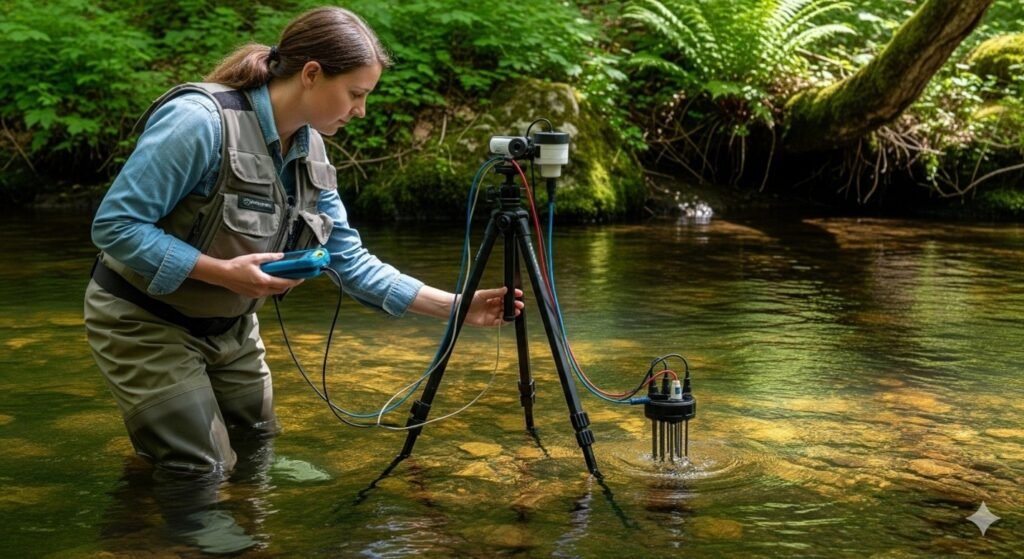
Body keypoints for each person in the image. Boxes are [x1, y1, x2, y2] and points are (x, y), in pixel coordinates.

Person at [84, 6, 522, 479]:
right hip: (144, 320)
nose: (361, 110)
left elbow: (347, 258)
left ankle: (174, 486)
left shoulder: (310, 147)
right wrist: (222, 272)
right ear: (312, 74)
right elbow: (115, 226)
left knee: (256, 443)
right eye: (356, 94)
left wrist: (457, 306)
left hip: (229, 329)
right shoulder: (197, 121)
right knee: (200, 467)